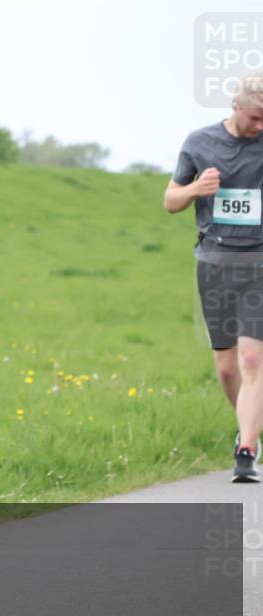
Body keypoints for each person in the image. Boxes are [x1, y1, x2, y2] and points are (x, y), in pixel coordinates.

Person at [164, 72, 263, 483]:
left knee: (252, 359)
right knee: (227, 370)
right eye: (255, 118)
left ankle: (246, 450)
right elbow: (170, 201)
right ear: (236, 107)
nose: (260, 126)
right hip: (215, 264)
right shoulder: (199, 143)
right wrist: (195, 190)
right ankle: (248, 425)